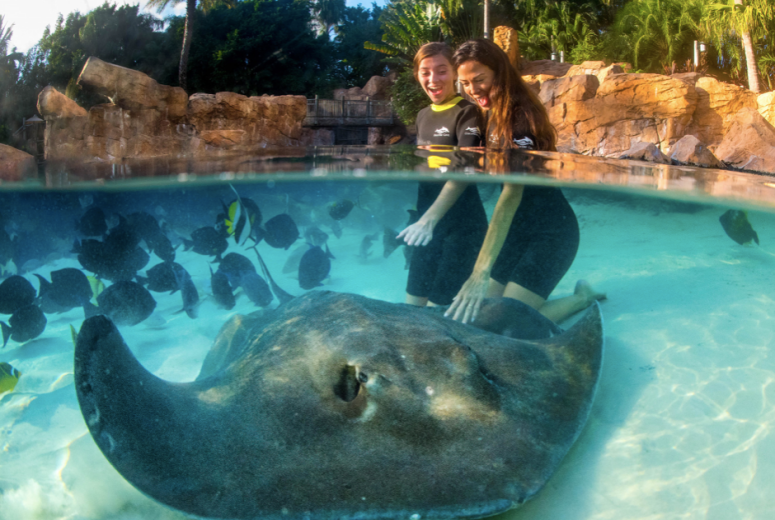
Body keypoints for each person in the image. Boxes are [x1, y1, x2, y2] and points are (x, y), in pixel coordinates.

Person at [438, 38, 605, 324]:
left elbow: (510, 196)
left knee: (508, 322)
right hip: (517, 233)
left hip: (551, 234)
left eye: (479, 79)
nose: (472, 90)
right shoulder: (488, 113)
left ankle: (582, 298)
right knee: (480, 318)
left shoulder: (520, 118)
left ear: (499, 73)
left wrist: (480, 272)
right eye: (464, 83)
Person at [397, 42, 488, 307]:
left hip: (462, 231)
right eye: (425, 72)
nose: (433, 79)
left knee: (440, 318)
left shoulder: (468, 112)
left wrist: (428, 220)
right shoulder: (423, 115)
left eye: (441, 71)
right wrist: (421, 220)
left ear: (455, 73)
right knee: (411, 310)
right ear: (417, 75)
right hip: (427, 228)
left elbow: (465, 169)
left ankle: (581, 299)